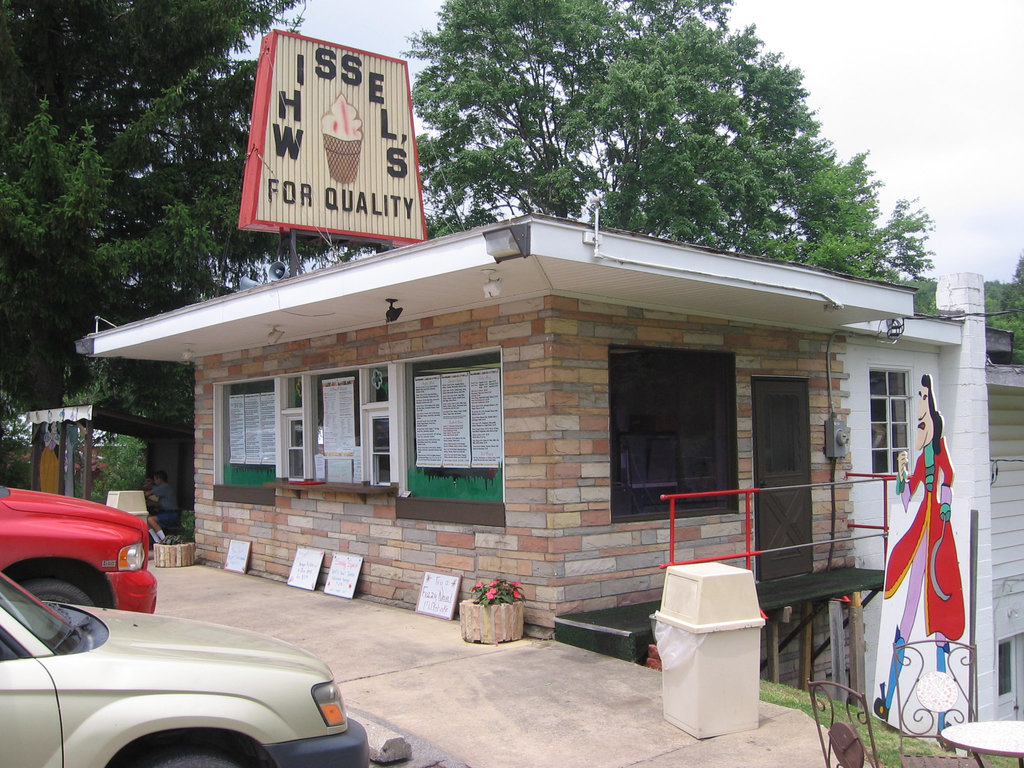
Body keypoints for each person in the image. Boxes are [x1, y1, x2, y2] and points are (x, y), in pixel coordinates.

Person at [874, 374, 965, 723]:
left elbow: (949, 484)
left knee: (938, 620)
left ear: (934, 424)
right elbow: (907, 496)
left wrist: (944, 502)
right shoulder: (923, 456)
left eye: (923, 422)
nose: (919, 428)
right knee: (908, 611)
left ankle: (942, 718)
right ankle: (890, 701)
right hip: (920, 536)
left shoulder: (939, 455)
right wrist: (900, 473)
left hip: (938, 538)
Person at [146, 470, 180, 542]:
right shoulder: (165, 488)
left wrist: (148, 486)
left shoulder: (164, 487)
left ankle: (164, 540)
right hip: (166, 513)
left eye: (155, 480)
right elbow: (159, 504)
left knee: (151, 519)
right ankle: (157, 540)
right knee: (147, 518)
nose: (155, 482)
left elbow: (147, 494)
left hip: (171, 514)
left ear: (159, 479)